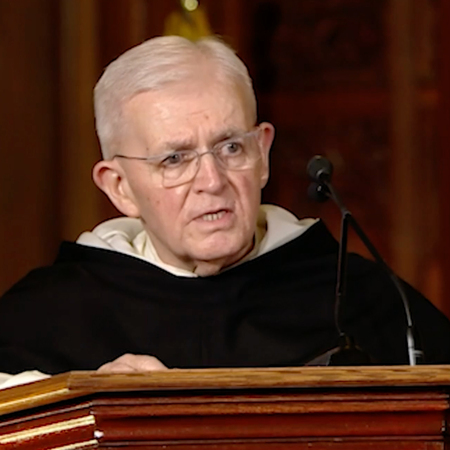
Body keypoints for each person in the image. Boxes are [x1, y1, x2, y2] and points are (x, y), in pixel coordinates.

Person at [1, 35, 450, 389]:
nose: (212, 181)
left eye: (231, 147)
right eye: (174, 159)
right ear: (120, 188)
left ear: (263, 154)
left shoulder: (359, 297)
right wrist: (84, 404)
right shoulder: (51, 311)